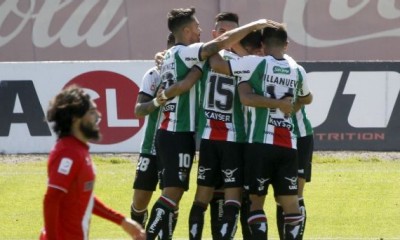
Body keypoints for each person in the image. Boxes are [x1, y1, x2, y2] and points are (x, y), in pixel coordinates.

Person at [145, 7, 279, 240]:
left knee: (200, 198)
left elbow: (196, 65)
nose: (201, 31)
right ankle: (146, 236)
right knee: (231, 198)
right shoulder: (244, 62)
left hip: (203, 138)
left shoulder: (203, 58)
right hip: (227, 139)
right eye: (198, 27)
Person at [209, 24, 311, 240]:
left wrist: (218, 42)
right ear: (286, 45)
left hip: (260, 144)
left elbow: (242, 94)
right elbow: (308, 97)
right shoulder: (297, 69)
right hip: (289, 145)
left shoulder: (255, 63)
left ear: (262, 45)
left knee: (256, 202)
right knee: (291, 205)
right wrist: (289, 104)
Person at [40, 85, 145, 240]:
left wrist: (122, 221)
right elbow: (51, 199)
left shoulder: (79, 150)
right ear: (75, 117)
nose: (98, 115)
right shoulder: (68, 153)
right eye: (91, 112)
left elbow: (83, 197)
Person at [130, 33, 174, 232]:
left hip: (175, 145)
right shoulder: (154, 74)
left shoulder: (194, 75)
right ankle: (138, 231)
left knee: (171, 198)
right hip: (150, 145)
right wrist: (157, 101)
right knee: (140, 201)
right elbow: (139, 110)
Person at [276, 65, 313, 239]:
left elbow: (307, 97)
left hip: (300, 136)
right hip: (274, 138)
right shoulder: (258, 68)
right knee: (280, 196)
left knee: (295, 194)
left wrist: (287, 110)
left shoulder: (295, 69)